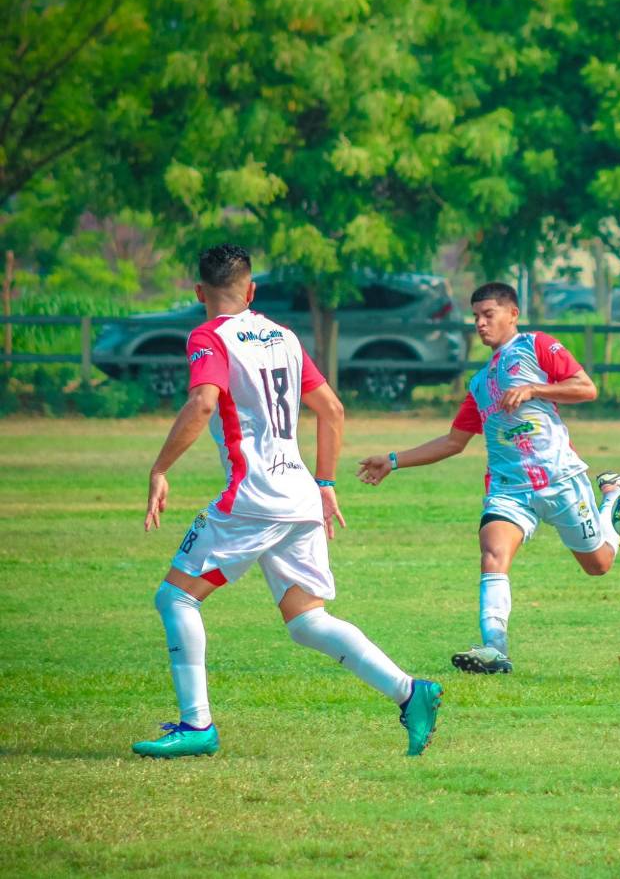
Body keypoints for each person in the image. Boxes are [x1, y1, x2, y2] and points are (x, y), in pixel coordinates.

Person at [135, 244, 442, 759]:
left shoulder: (208, 335)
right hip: (298, 494)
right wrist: (325, 483)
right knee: (307, 621)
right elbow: (333, 410)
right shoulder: (284, 336)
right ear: (252, 290)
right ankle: (410, 692)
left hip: (252, 498)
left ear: (198, 293)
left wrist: (160, 467)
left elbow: (203, 401)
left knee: (176, 597)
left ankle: (196, 726)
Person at [357, 282, 620, 675]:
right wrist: (394, 460)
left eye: (489, 315)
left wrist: (534, 388)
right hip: (509, 489)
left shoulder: (536, 346)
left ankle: (614, 498)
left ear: (512, 314)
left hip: (560, 478)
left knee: (599, 564)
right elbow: (453, 441)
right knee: (493, 553)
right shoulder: (480, 383)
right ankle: (494, 648)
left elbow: (586, 389)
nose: (480, 324)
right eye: (476, 317)